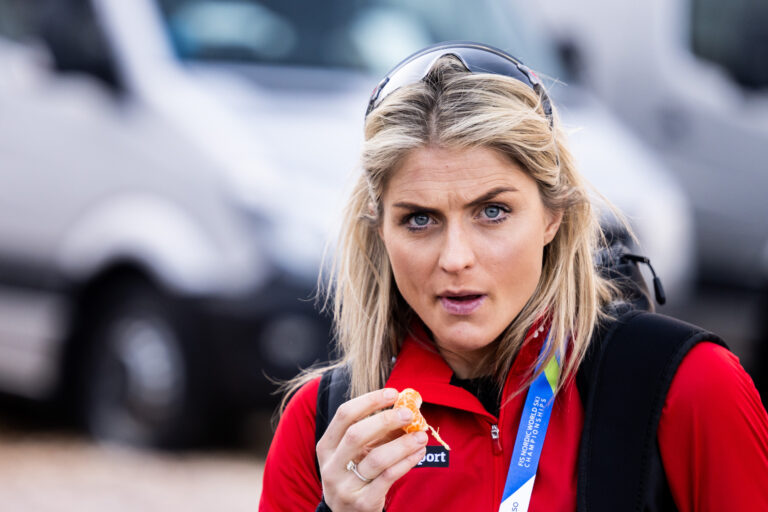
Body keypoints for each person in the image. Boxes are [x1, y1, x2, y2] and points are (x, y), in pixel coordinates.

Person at [259, 42, 768, 512]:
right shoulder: (325, 425)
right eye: (420, 218)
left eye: (493, 211)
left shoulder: (688, 385)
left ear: (554, 216)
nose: (455, 258)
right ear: (381, 232)